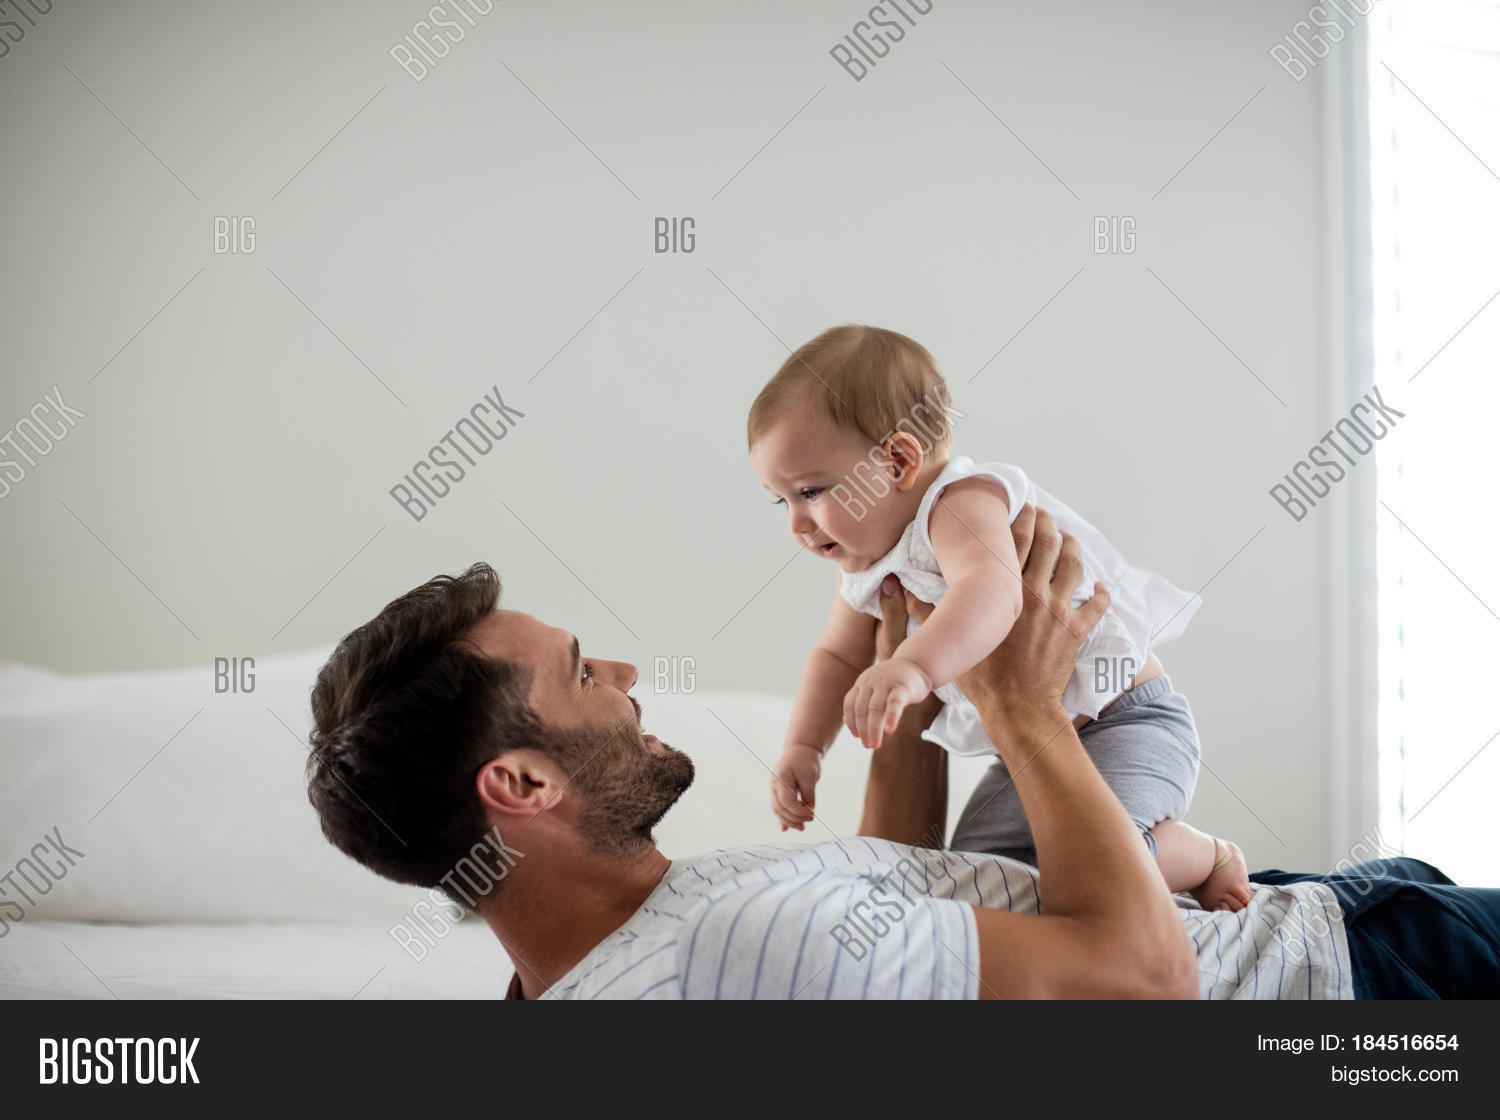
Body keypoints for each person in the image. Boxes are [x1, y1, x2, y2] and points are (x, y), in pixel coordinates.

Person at [307, 506, 1500, 999]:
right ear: (521, 784)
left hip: (1323, 928)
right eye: (580, 673)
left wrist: (908, 691)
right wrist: (1024, 707)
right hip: (1355, 975)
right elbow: (1147, 982)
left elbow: (889, 930)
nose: (621, 675)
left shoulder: (591, 969)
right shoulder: (728, 946)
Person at [748, 324, 1247, 911]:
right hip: (1022, 754)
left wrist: (912, 668)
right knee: (986, 881)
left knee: (1101, 864)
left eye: (811, 492)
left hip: (1125, 721)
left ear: (899, 461)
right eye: (781, 499)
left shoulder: (960, 503)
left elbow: (992, 593)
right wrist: (805, 747)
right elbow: (837, 655)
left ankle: (1206, 855)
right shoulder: (865, 564)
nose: (796, 524)